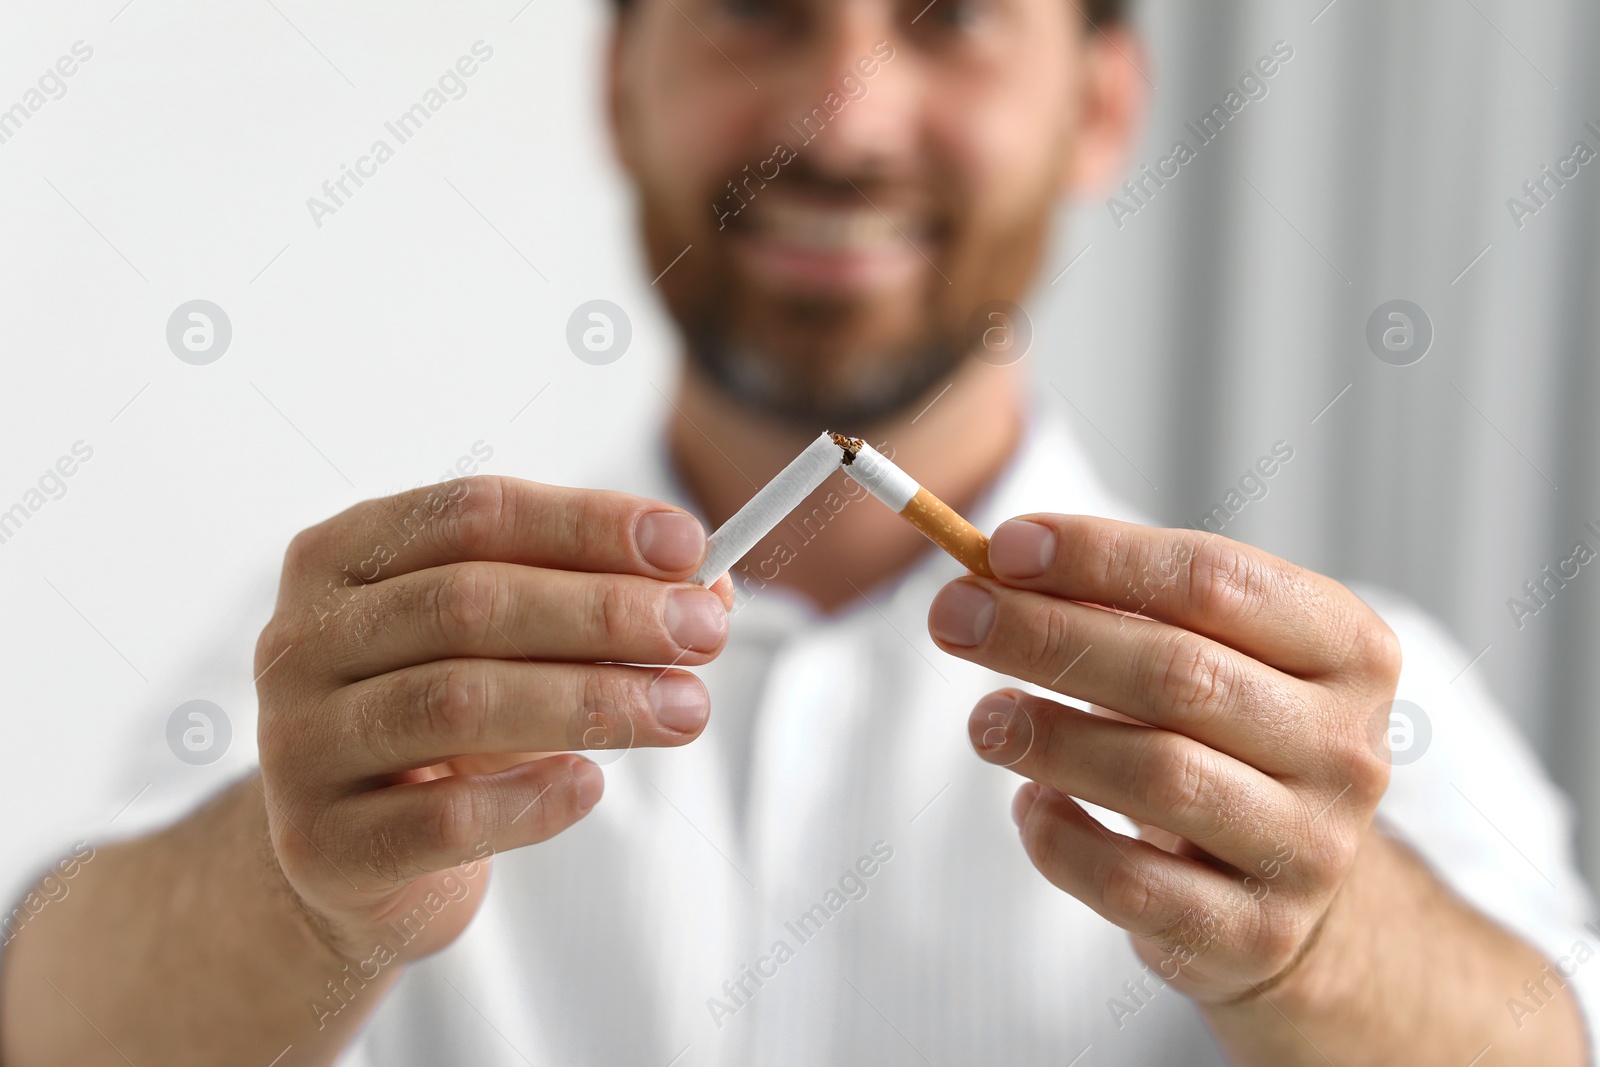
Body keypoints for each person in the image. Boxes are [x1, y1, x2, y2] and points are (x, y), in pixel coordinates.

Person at [2, 0, 1595, 1063]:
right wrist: (296, 893)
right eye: (758, 6)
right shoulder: (367, 669)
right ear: (620, 84)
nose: (841, 123)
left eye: (953, 19)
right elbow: (45, 1017)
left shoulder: (1319, 711)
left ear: (1102, 104)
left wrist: (1326, 941)